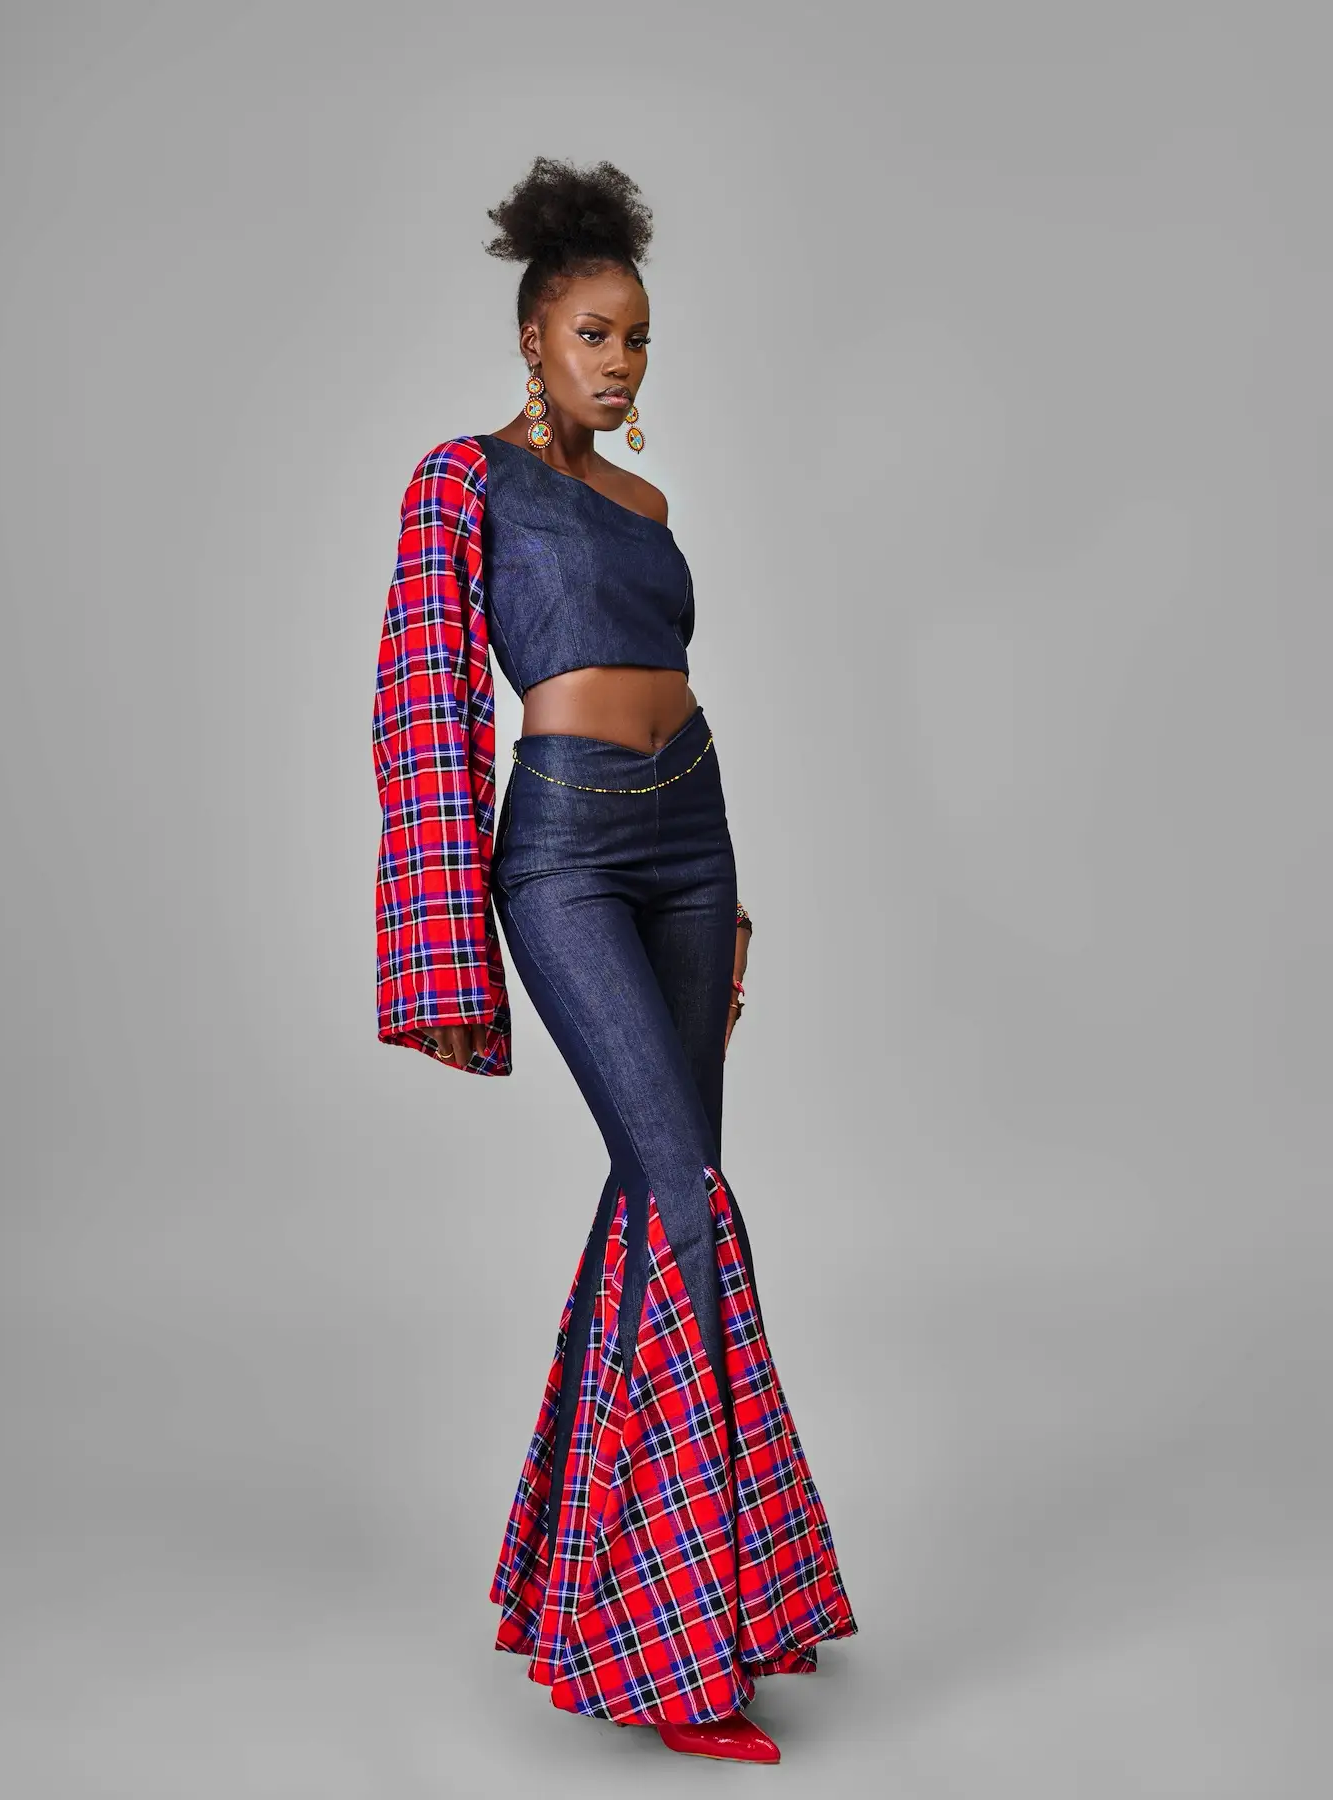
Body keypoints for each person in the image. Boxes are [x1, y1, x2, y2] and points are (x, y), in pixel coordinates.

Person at [371, 156, 856, 1766]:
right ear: (533, 337)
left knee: (669, 1199)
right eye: (594, 333)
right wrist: (443, 945)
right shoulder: (463, 482)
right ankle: (680, 1645)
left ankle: (622, 1595)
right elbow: (421, 705)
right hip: (568, 854)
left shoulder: (649, 509)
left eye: (638, 337)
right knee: (680, 1196)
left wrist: (736, 896)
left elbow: (673, 678)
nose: (621, 362)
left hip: (694, 843)